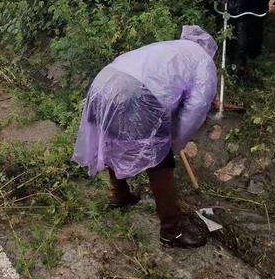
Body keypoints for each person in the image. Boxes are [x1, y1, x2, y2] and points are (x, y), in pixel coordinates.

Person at [72, 25, 218, 249]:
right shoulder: (204, 63)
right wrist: (173, 144)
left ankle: (120, 194)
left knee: (113, 141)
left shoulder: (172, 48)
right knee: (160, 160)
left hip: (104, 81)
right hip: (134, 90)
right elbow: (195, 110)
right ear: (209, 50)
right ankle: (172, 231)